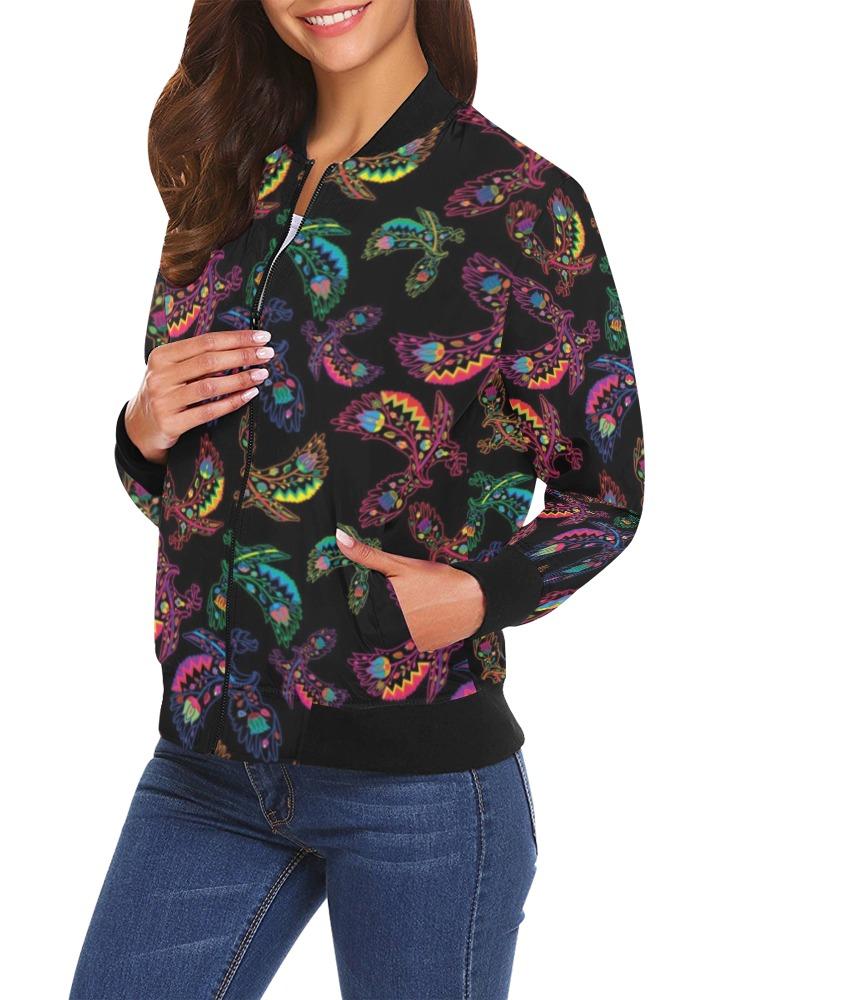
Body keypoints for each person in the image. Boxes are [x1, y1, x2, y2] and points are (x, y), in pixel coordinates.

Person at [70, 1, 645, 997]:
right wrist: (142, 431)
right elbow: (205, 499)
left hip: (418, 788)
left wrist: (481, 594)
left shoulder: (518, 203)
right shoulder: (227, 181)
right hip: (206, 765)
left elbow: (606, 493)